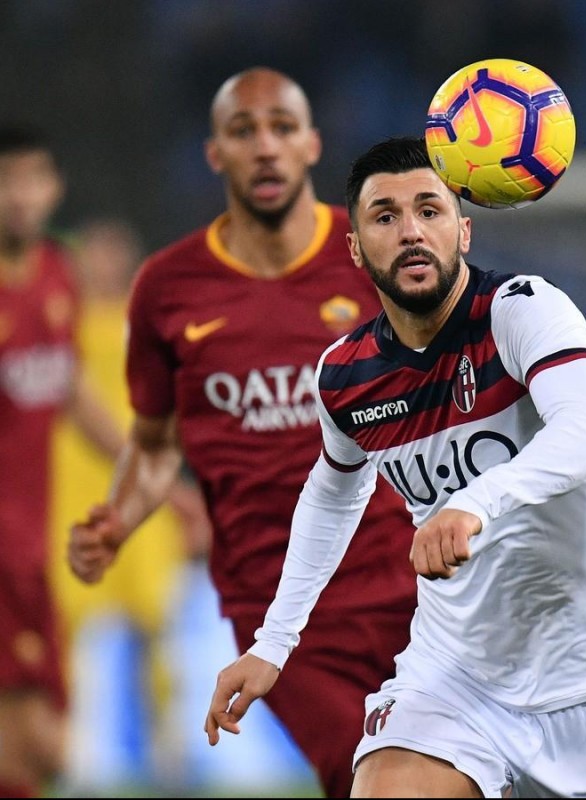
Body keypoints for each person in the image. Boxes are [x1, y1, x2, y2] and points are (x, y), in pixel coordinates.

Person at [205, 136, 586, 798]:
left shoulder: (522, 311)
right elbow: (333, 496)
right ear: (357, 247)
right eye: (385, 216)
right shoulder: (345, 374)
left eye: (430, 210)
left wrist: (475, 501)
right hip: (456, 674)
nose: (411, 231)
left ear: (463, 230)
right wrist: (273, 644)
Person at [67, 69, 418, 798]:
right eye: (243, 131)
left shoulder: (369, 257)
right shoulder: (168, 288)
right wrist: (121, 516)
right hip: (280, 616)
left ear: (312, 144)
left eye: (282, 128)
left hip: (409, 585)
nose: (266, 147)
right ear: (214, 154)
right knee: (372, 780)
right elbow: (158, 442)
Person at [49, 217, 211, 789]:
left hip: (144, 495)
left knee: (157, 624)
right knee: (65, 629)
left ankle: (171, 751)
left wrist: (184, 489)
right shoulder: (59, 322)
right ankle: (69, 752)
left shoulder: (149, 325)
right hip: (71, 489)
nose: (105, 263)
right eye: (95, 251)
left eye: (115, 252)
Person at [0, 127, 124, 798]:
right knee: (34, 746)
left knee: (41, 747)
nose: (19, 196)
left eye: (31, 179)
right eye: (5, 180)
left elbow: (69, 384)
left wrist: (146, 466)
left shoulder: (55, 273)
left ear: (53, 188)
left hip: (30, 547)